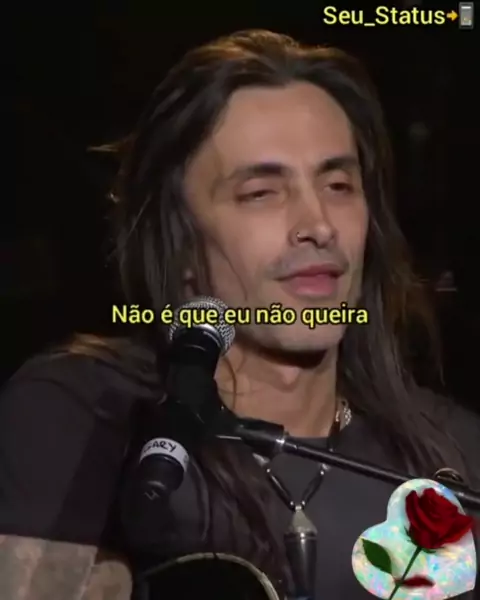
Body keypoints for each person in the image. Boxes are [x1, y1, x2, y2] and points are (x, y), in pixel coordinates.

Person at [1, 29, 479, 600]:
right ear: (181, 245)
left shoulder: (455, 452)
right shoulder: (86, 413)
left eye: (338, 184)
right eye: (261, 193)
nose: (319, 225)